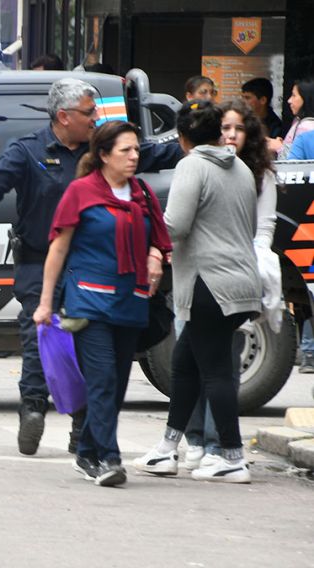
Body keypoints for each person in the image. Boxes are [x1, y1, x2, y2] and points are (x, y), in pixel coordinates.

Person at [0, 78, 183, 456]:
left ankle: (83, 424)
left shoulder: (102, 150)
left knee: (88, 343)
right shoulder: (28, 150)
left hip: (88, 268)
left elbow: (150, 154)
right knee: (41, 337)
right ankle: (33, 407)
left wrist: (198, 144)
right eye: (88, 112)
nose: (95, 117)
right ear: (64, 117)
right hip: (38, 261)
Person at [33, 121, 171, 486]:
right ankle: (110, 458)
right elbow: (58, 248)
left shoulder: (141, 193)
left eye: (137, 150)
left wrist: (155, 256)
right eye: (126, 150)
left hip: (131, 301)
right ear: (104, 155)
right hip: (88, 303)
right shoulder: (81, 192)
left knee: (117, 383)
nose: (134, 157)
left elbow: (159, 237)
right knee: (103, 379)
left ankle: (86, 452)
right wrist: (45, 303)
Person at [133, 100, 262, 484]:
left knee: (217, 372)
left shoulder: (192, 165)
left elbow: (176, 224)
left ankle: (232, 456)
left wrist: (146, 225)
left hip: (209, 283)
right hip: (240, 280)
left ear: (184, 138)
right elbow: (248, 224)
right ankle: (167, 450)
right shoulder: (238, 166)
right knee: (185, 366)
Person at [180, 99, 278, 469]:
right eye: (225, 128)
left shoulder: (251, 173)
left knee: (220, 368)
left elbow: (261, 229)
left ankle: (223, 448)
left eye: (238, 128)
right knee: (186, 362)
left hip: (231, 279)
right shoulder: (207, 167)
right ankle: (190, 440)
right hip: (198, 277)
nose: (231, 135)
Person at [276, 78, 314, 159]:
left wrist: (278, 147)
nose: (289, 100)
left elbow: (293, 163)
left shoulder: (306, 127)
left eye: (294, 95)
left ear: (306, 98)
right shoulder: (298, 121)